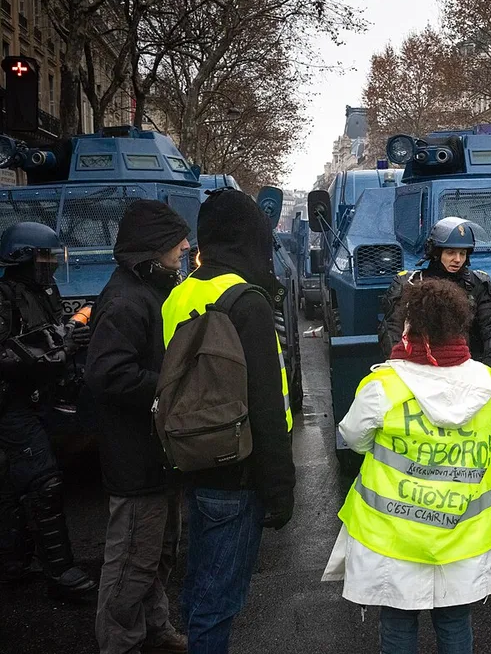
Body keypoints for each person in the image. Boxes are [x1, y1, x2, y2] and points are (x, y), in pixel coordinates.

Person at [324, 277, 491, 654]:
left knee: (399, 623)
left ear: (410, 326)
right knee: (454, 622)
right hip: (461, 534)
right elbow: (490, 439)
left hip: (394, 536)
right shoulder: (485, 386)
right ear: (460, 325)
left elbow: (354, 438)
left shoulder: (384, 386)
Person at [161, 189, 295, 652]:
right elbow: (265, 402)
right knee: (221, 600)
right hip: (239, 471)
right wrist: (279, 486)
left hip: (192, 459)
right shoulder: (247, 300)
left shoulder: (180, 293)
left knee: (201, 584)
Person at [86, 201, 191, 654]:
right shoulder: (127, 298)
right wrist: (171, 385)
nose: (186, 247)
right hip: (136, 458)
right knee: (131, 560)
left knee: (157, 552)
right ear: (153, 247)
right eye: (176, 241)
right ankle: (120, 643)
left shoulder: (150, 289)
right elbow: (107, 374)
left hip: (156, 456)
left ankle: (155, 627)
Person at [0, 221, 97, 601]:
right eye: (44, 255)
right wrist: (61, 345)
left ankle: (15, 563)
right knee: (44, 482)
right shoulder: (5, 296)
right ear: (22, 256)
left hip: (36, 400)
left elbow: (50, 332)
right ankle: (62, 573)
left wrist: (70, 337)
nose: (51, 262)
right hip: (13, 404)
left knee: (14, 486)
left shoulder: (42, 291)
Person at [378, 217, 491, 374]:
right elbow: (392, 328)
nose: (457, 259)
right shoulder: (410, 283)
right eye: (450, 252)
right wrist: (398, 364)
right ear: (436, 253)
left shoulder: (478, 283)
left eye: (463, 253)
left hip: (466, 367)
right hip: (418, 368)